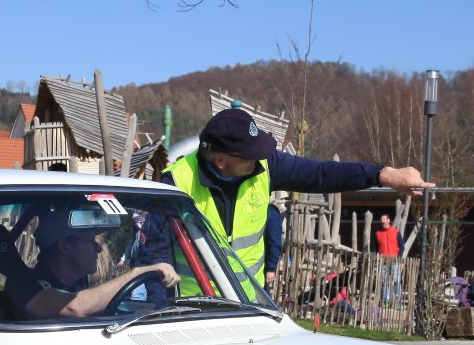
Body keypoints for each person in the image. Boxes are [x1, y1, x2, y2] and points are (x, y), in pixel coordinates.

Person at [161, 108, 431, 297]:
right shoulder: (174, 183)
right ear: (221, 161)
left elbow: (321, 174)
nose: (259, 158)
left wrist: (383, 174)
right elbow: (155, 256)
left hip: (248, 309)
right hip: (196, 313)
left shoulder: (267, 166)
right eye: (250, 155)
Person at [8, 210, 177, 319]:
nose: (99, 248)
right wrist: (136, 273)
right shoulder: (24, 284)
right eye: (90, 240)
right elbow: (73, 307)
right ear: (65, 246)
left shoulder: (78, 283)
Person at [374, 212, 402, 305]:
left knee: (396, 281)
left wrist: (399, 257)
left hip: (394, 260)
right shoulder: (378, 234)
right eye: (381, 219)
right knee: (384, 281)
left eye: (384, 219)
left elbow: (402, 246)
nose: (382, 221)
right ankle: (386, 300)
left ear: (388, 220)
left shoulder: (396, 232)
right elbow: (375, 248)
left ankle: (398, 301)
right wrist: (377, 258)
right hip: (383, 262)